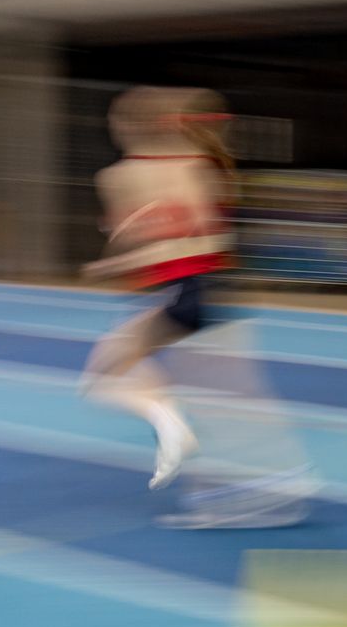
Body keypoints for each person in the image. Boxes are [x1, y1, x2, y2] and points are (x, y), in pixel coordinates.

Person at [80, 86, 238, 491]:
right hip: (185, 292)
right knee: (121, 366)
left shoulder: (168, 170)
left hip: (185, 291)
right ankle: (171, 423)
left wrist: (123, 259)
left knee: (102, 379)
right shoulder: (133, 174)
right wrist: (125, 251)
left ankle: (172, 427)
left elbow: (209, 241)